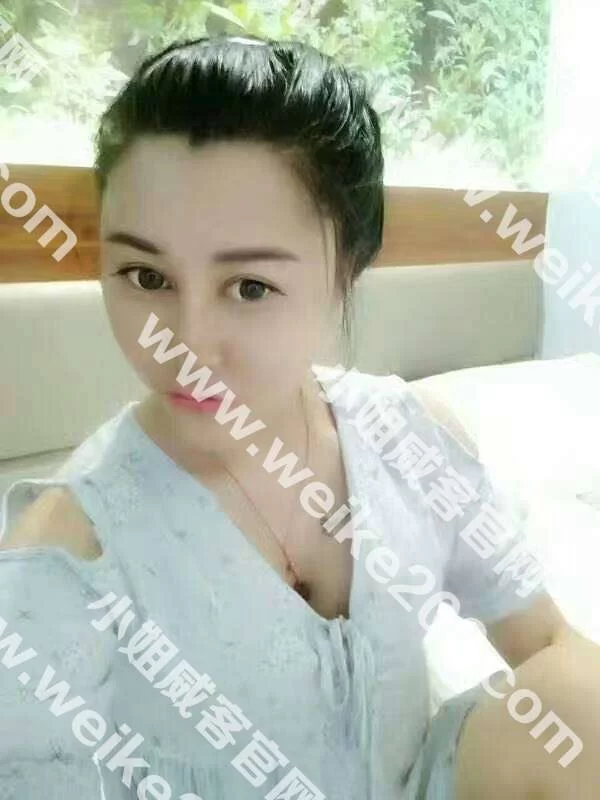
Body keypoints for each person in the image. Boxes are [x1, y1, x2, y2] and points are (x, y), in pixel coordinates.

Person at [0, 34, 598, 800]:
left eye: (249, 287)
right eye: (145, 276)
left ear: (346, 271)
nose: (185, 345)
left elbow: (547, 642)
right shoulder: (70, 553)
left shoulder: (408, 439)